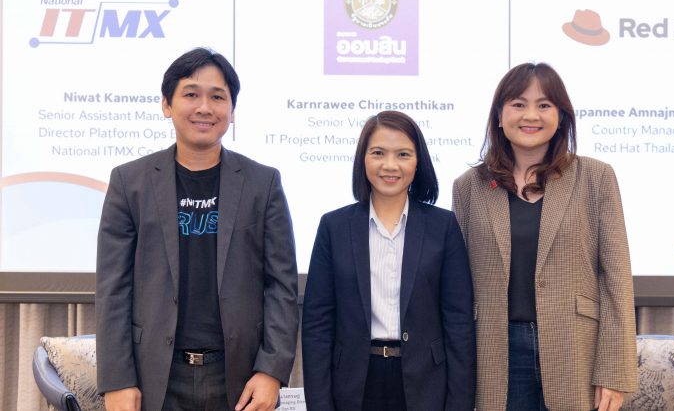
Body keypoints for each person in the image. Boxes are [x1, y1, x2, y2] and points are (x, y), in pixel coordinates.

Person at [96, 47, 299, 411]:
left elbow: (281, 286)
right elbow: (113, 288)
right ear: (166, 105)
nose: (205, 107)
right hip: (155, 375)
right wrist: (118, 380)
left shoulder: (263, 183)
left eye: (218, 97)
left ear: (232, 111)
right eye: (191, 94)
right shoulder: (130, 182)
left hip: (238, 377)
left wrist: (271, 371)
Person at [452, 63, 637, 411]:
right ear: (499, 116)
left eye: (544, 105)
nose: (530, 115)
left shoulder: (595, 178)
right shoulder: (469, 187)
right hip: (495, 354)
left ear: (561, 117)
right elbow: (457, 287)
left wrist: (614, 371)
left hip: (575, 350)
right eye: (518, 104)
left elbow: (616, 280)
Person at [302, 111, 476, 410]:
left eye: (403, 154)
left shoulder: (443, 226)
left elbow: (458, 323)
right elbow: (317, 324)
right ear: (363, 159)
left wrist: (459, 403)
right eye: (378, 153)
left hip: (426, 383)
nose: (390, 165)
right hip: (354, 383)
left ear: (418, 162)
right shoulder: (334, 227)